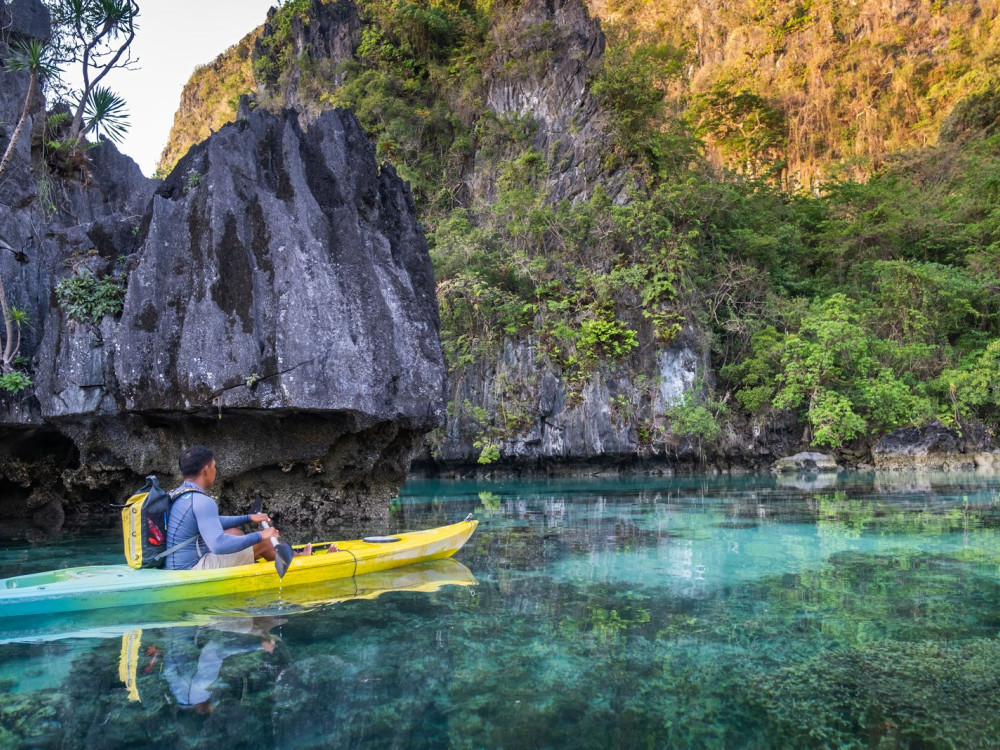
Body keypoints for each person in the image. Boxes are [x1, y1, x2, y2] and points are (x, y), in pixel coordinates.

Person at [164, 445, 311, 570]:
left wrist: (247, 518)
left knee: (234, 533)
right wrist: (261, 535)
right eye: (215, 466)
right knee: (264, 543)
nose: (215, 471)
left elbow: (210, 521)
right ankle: (303, 562)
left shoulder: (179, 494)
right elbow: (218, 546)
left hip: (176, 565)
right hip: (191, 569)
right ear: (206, 470)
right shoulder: (203, 501)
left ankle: (265, 562)